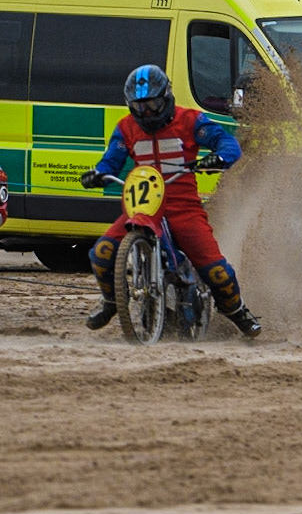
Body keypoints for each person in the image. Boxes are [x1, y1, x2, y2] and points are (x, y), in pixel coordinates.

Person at [78, 66, 262, 337]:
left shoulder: (191, 120)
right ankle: (112, 301)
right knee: (101, 253)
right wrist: (99, 174)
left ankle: (237, 311)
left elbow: (227, 143)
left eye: (152, 104)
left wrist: (219, 158)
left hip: (182, 207)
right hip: (141, 208)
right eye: (139, 107)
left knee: (217, 271)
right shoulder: (125, 128)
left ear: (166, 97)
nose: (147, 112)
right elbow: (110, 162)